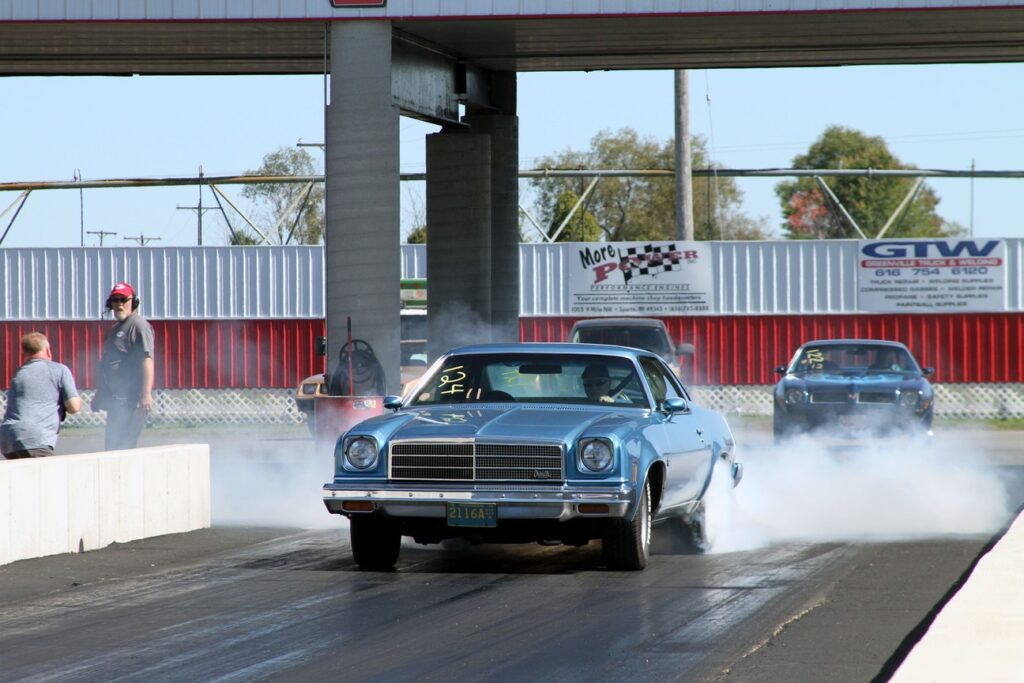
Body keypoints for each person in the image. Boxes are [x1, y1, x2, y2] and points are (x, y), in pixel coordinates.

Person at [1, 332, 83, 460]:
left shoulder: (19, 373)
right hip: (34, 438)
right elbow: (73, 407)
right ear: (48, 350)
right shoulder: (59, 370)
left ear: (24, 354)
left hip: (8, 439)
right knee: (49, 478)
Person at [94, 282, 156, 450]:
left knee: (124, 446)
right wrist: (101, 393)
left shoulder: (138, 326)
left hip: (130, 399)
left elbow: (147, 360)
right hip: (117, 400)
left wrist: (145, 394)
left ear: (134, 302)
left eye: (123, 299)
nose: (119, 304)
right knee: (113, 446)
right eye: (115, 300)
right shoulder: (118, 327)